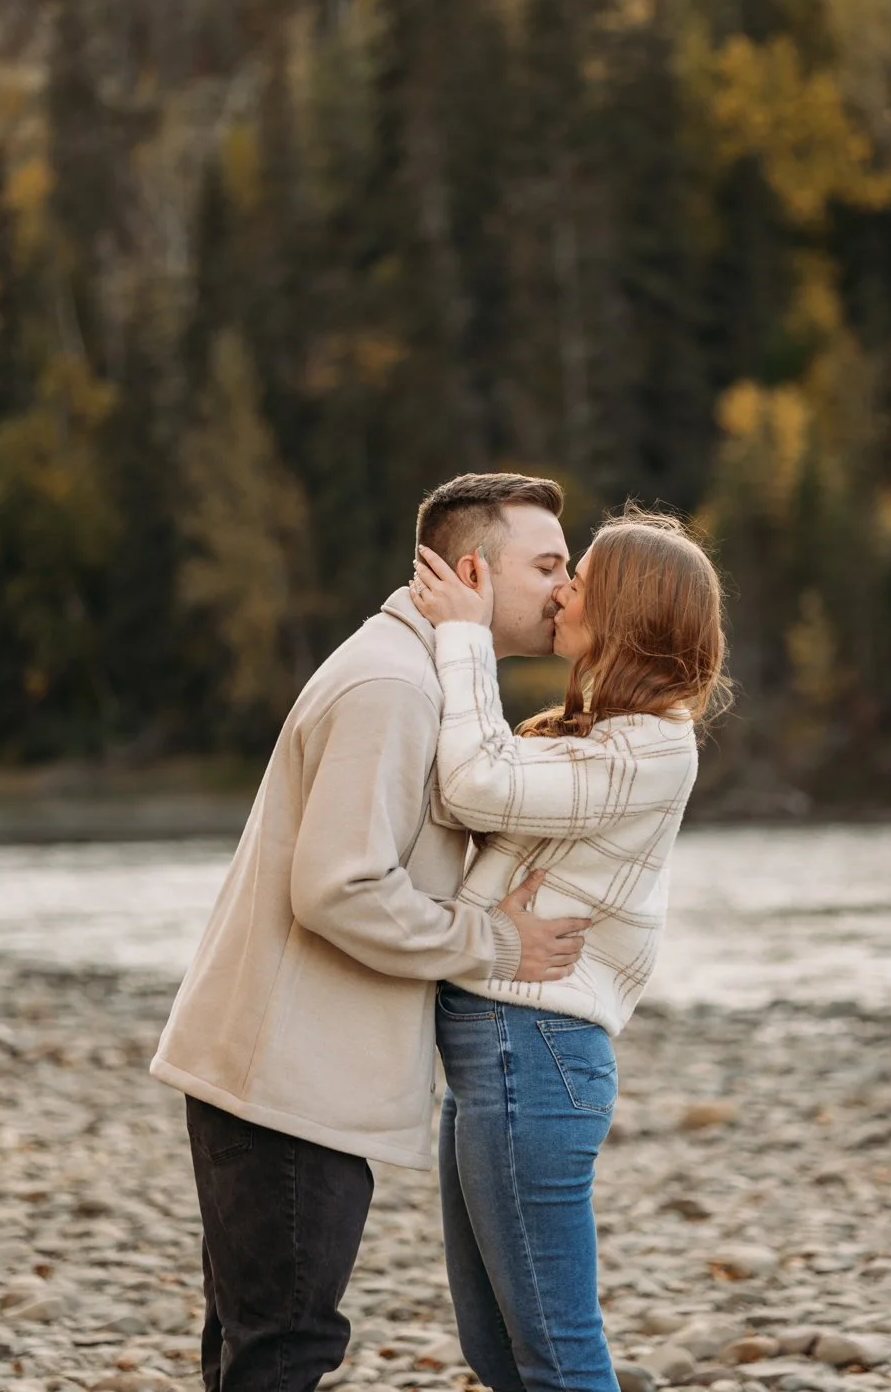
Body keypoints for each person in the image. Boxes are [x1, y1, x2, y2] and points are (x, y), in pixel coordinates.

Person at [150, 472, 593, 1392]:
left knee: (253, 1340)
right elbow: (341, 889)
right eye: (549, 564)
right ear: (474, 567)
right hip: (286, 1082)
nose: (568, 585)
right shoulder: (393, 685)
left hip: (287, 1070)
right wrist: (496, 944)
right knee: (284, 1345)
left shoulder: (415, 671)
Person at [410, 506, 730, 1392]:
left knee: (555, 1357)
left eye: (578, 579)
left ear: (622, 614)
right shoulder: (600, 735)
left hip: (533, 1053)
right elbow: (489, 797)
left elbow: (475, 783)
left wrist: (465, 639)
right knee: (500, 1353)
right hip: (500, 1053)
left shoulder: (652, 750)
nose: (559, 593)